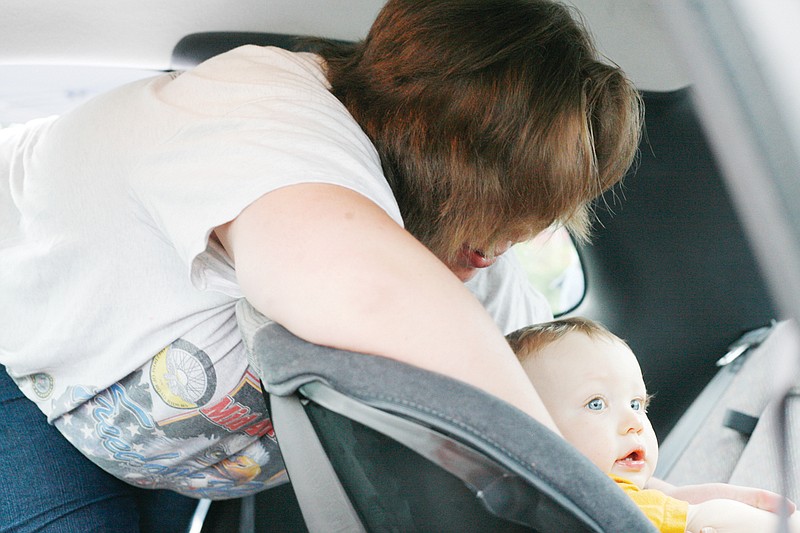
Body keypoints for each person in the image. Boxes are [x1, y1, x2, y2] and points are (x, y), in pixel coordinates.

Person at [0, 0, 780, 530]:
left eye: (536, 219)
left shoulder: (471, 266)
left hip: (156, 457)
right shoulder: (256, 107)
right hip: (23, 373)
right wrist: (600, 516)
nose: (511, 241)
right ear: (443, 147)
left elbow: (509, 423)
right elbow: (366, 289)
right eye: (507, 202)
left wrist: (658, 497)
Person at [507, 317, 800, 533]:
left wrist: (728, 495)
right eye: (596, 404)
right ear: (534, 431)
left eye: (637, 404)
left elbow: (665, 499)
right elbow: (700, 519)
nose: (634, 422)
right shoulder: (597, 502)